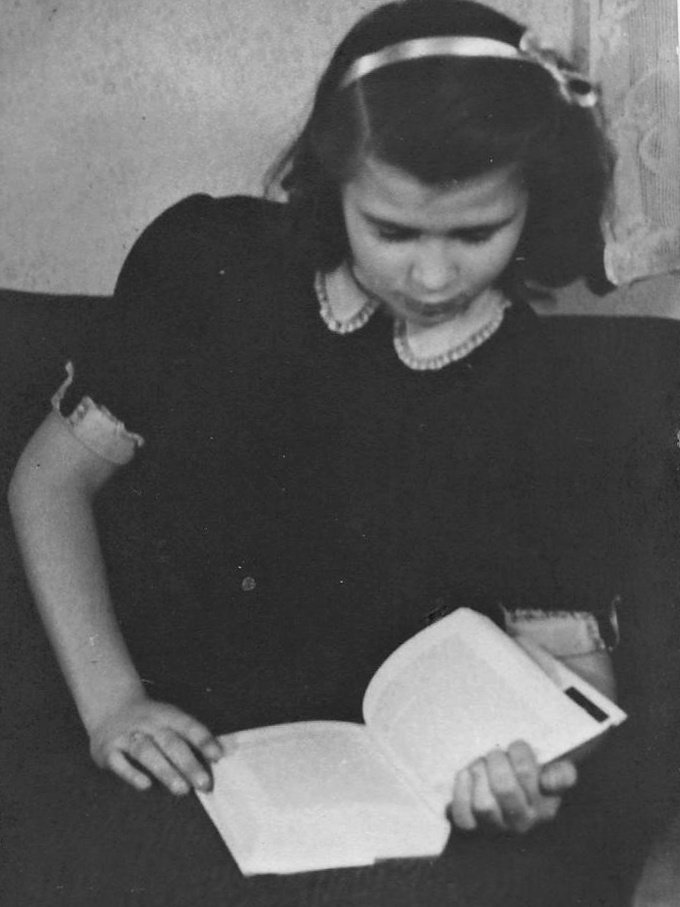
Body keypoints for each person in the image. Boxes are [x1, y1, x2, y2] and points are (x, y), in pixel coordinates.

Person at [9, 0, 620, 846]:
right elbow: (50, 480)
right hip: (117, 695)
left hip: (360, 775)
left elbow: (580, 683)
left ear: (535, 202)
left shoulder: (549, 394)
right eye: (391, 230)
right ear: (334, 183)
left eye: (478, 231)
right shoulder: (211, 263)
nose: (433, 275)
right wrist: (112, 702)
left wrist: (537, 769)